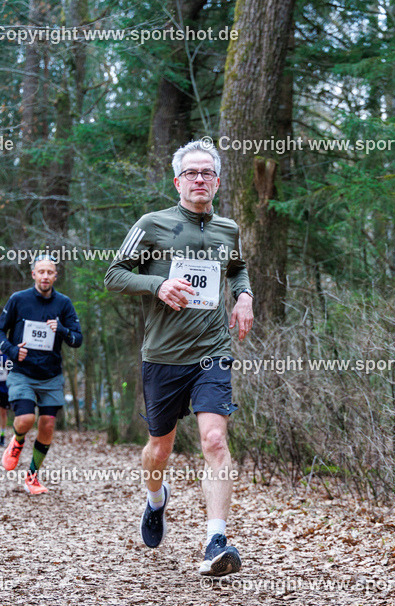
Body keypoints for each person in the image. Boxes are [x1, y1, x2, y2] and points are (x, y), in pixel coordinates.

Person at [104, 139, 254, 576]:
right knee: (159, 448)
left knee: (214, 441)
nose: (200, 179)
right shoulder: (152, 225)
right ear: (178, 182)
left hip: (212, 351)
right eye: (192, 173)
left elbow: (237, 268)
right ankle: (156, 500)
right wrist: (158, 285)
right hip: (164, 355)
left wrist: (244, 295)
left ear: (217, 182)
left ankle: (215, 541)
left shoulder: (228, 229)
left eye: (207, 173)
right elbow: (114, 274)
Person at [0, 254, 82, 495]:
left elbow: (77, 339)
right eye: (41, 272)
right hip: (22, 372)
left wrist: (61, 329)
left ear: (55, 276)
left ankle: (32, 477)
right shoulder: (18, 299)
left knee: (48, 424)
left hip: (51, 375)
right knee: (25, 420)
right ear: (33, 274)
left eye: (49, 272)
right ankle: (17, 440)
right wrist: (12, 350)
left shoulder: (63, 304)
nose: (45, 276)